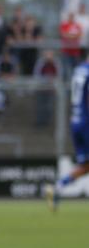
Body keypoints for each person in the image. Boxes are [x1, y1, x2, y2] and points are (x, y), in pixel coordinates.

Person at [46, 53, 89, 210]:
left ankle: (57, 187)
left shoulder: (79, 70)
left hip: (76, 120)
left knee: (85, 166)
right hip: (86, 122)